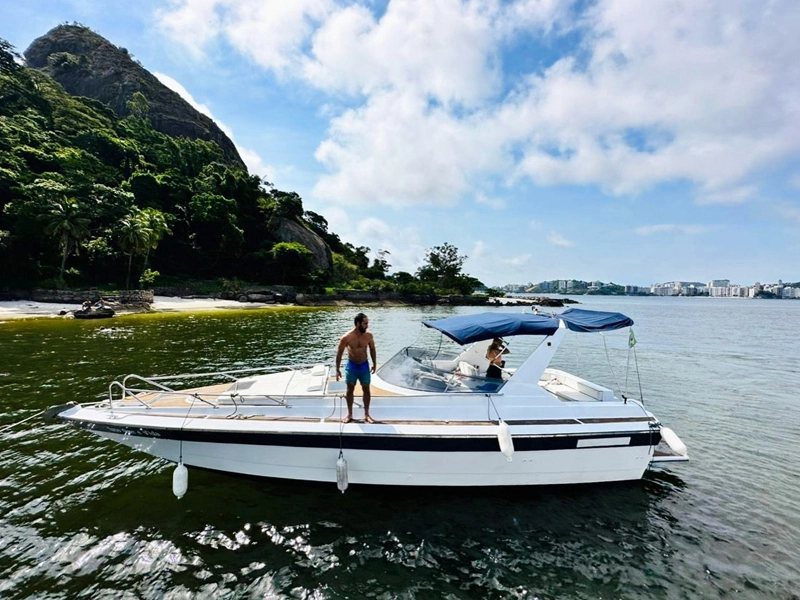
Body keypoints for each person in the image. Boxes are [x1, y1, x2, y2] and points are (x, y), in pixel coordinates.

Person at [335, 312, 377, 423]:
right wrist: (337, 369)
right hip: (352, 365)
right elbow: (339, 353)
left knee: (366, 389)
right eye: (365, 323)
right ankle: (349, 414)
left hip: (364, 365)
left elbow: (372, 349)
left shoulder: (369, 336)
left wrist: (374, 363)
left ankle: (367, 414)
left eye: (367, 323)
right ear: (358, 324)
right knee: (350, 390)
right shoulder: (347, 337)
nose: (367, 326)